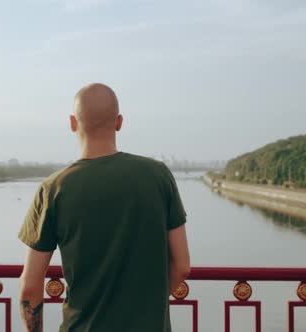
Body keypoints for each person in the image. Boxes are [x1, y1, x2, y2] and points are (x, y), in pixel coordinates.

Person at [18, 83, 191, 332]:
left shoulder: (53, 189)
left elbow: (31, 287)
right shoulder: (158, 176)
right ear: (119, 122)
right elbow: (182, 266)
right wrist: (147, 305)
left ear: (72, 123)